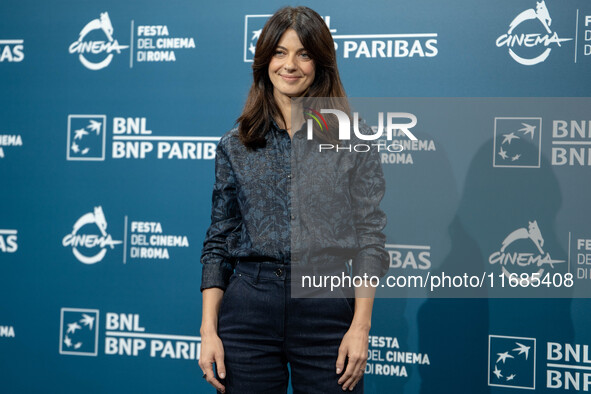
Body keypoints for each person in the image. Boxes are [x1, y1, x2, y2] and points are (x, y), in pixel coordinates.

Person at [198, 6, 388, 393]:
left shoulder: (353, 137)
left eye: (303, 53)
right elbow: (219, 241)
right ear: (264, 60)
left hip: (327, 304)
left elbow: (371, 236)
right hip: (249, 306)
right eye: (280, 52)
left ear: (321, 63)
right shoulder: (236, 144)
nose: (290, 65)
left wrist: (361, 327)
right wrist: (208, 330)